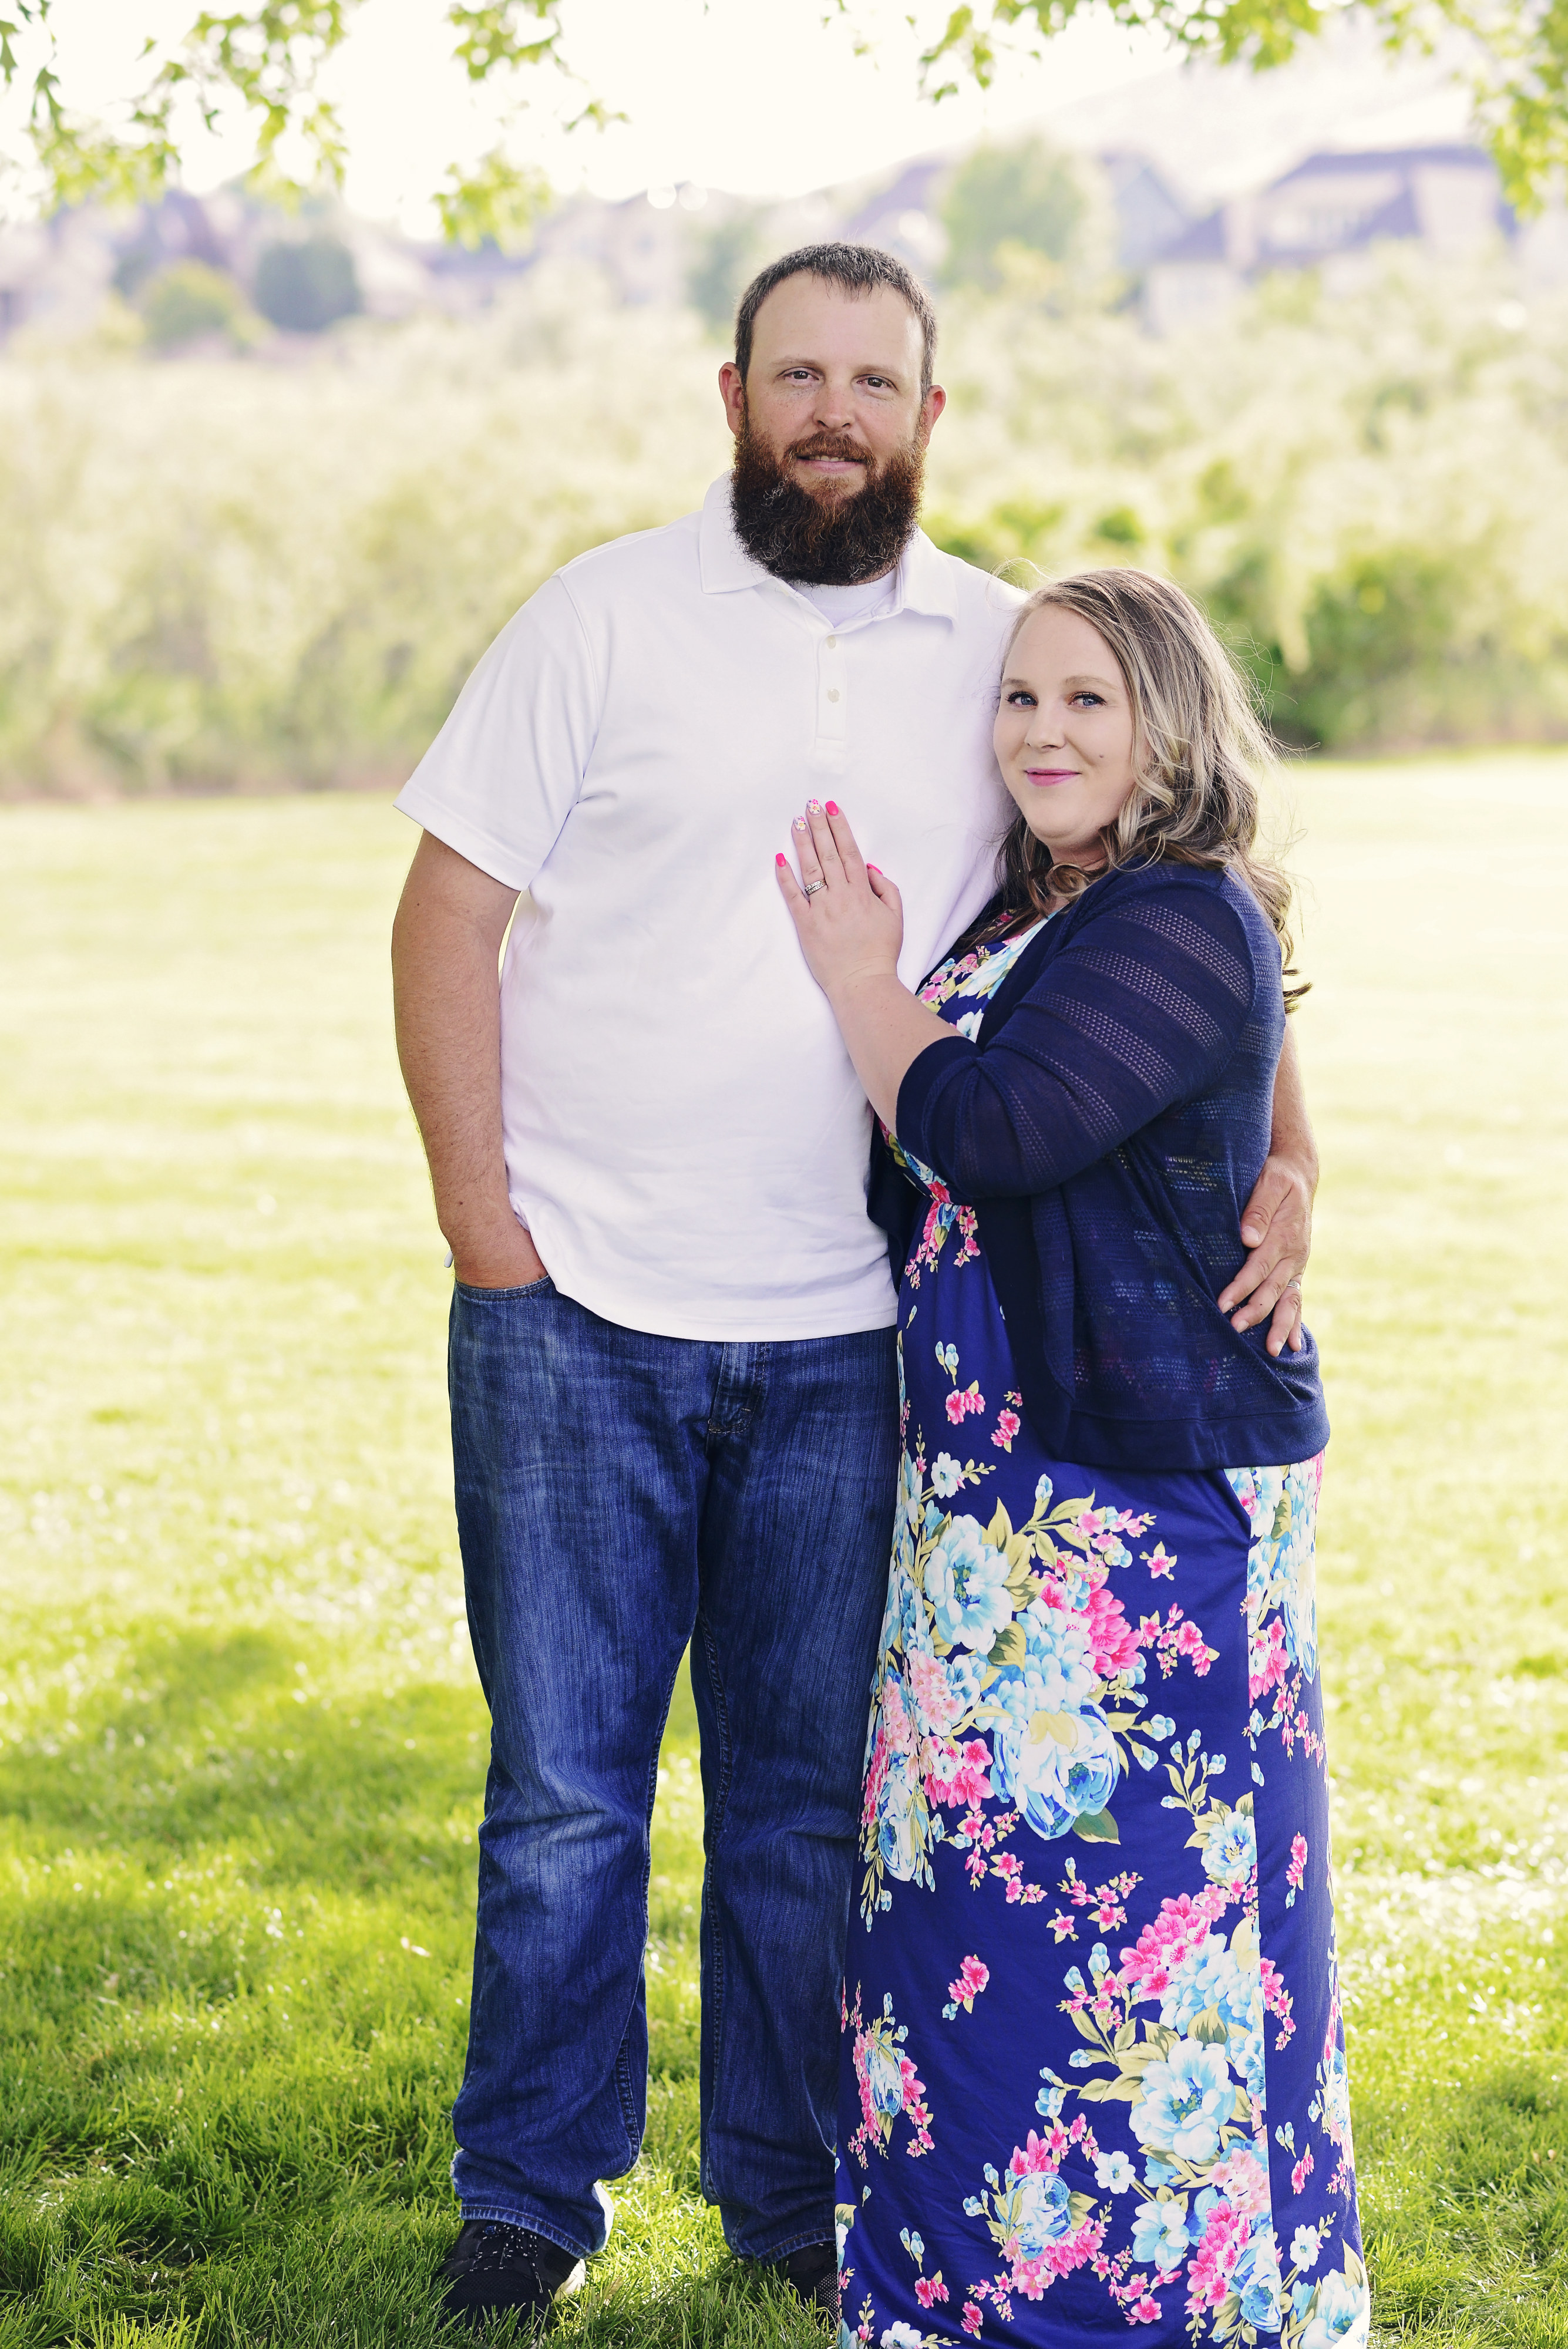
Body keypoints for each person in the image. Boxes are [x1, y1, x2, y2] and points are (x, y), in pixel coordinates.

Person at [389, 244, 1319, 2335]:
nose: (833, 413)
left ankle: (793, 2195)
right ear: (732, 396)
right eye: (796, 375)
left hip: (849, 1336)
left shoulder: (1007, 653)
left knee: (810, 1805)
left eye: (873, 381)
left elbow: (1177, 896)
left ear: (928, 414)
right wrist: (486, 1231)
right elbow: (445, 912)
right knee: (562, 1801)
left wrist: (1295, 1150)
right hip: (576, 1310)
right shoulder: (598, 617)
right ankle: (529, 2195)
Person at [774, 570, 1364, 2348]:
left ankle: (1159, 2306)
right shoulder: (1050, 909)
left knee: (1141, 1928)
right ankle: (967, 2294)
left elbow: (1000, 1126)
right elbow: (1246, 1075)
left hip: (1138, 1511)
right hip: (988, 1505)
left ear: (1168, 724)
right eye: (1020, 697)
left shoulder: (1174, 912)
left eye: (1088, 700)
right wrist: (1294, 1156)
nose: (1040, 731)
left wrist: (860, 980)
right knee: (970, 1902)